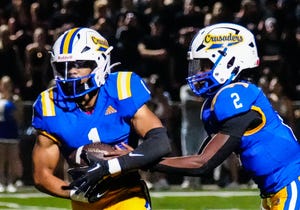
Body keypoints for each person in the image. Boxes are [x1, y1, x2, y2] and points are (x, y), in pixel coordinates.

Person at [151, 23, 300, 209]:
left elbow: (203, 163)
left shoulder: (234, 95)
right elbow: (200, 159)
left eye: (204, 65)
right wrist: (144, 157)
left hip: (290, 185)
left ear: (229, 62)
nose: (198, 73)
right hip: (276, 190)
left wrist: (141, 161)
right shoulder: (225, 99)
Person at [31, 27, 172, 210]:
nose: (72, 72)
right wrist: (75, 193)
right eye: (64, 66)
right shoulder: (49, 104)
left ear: (100, 63)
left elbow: (159, 142)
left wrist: (115, 165)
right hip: (85, 202)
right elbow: (41, 174)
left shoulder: (121, 88)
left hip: (126, 194)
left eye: (80, 63)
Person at [0, 75, 23, 192]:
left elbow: (20, 116)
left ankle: (10, 181)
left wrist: (15, 104)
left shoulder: (15, 99)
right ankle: (1, 181)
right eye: (4, 84)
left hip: (12, 132)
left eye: (8, 84)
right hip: (1, 132)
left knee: (12, 158)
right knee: (1, 158)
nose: (6, 87)